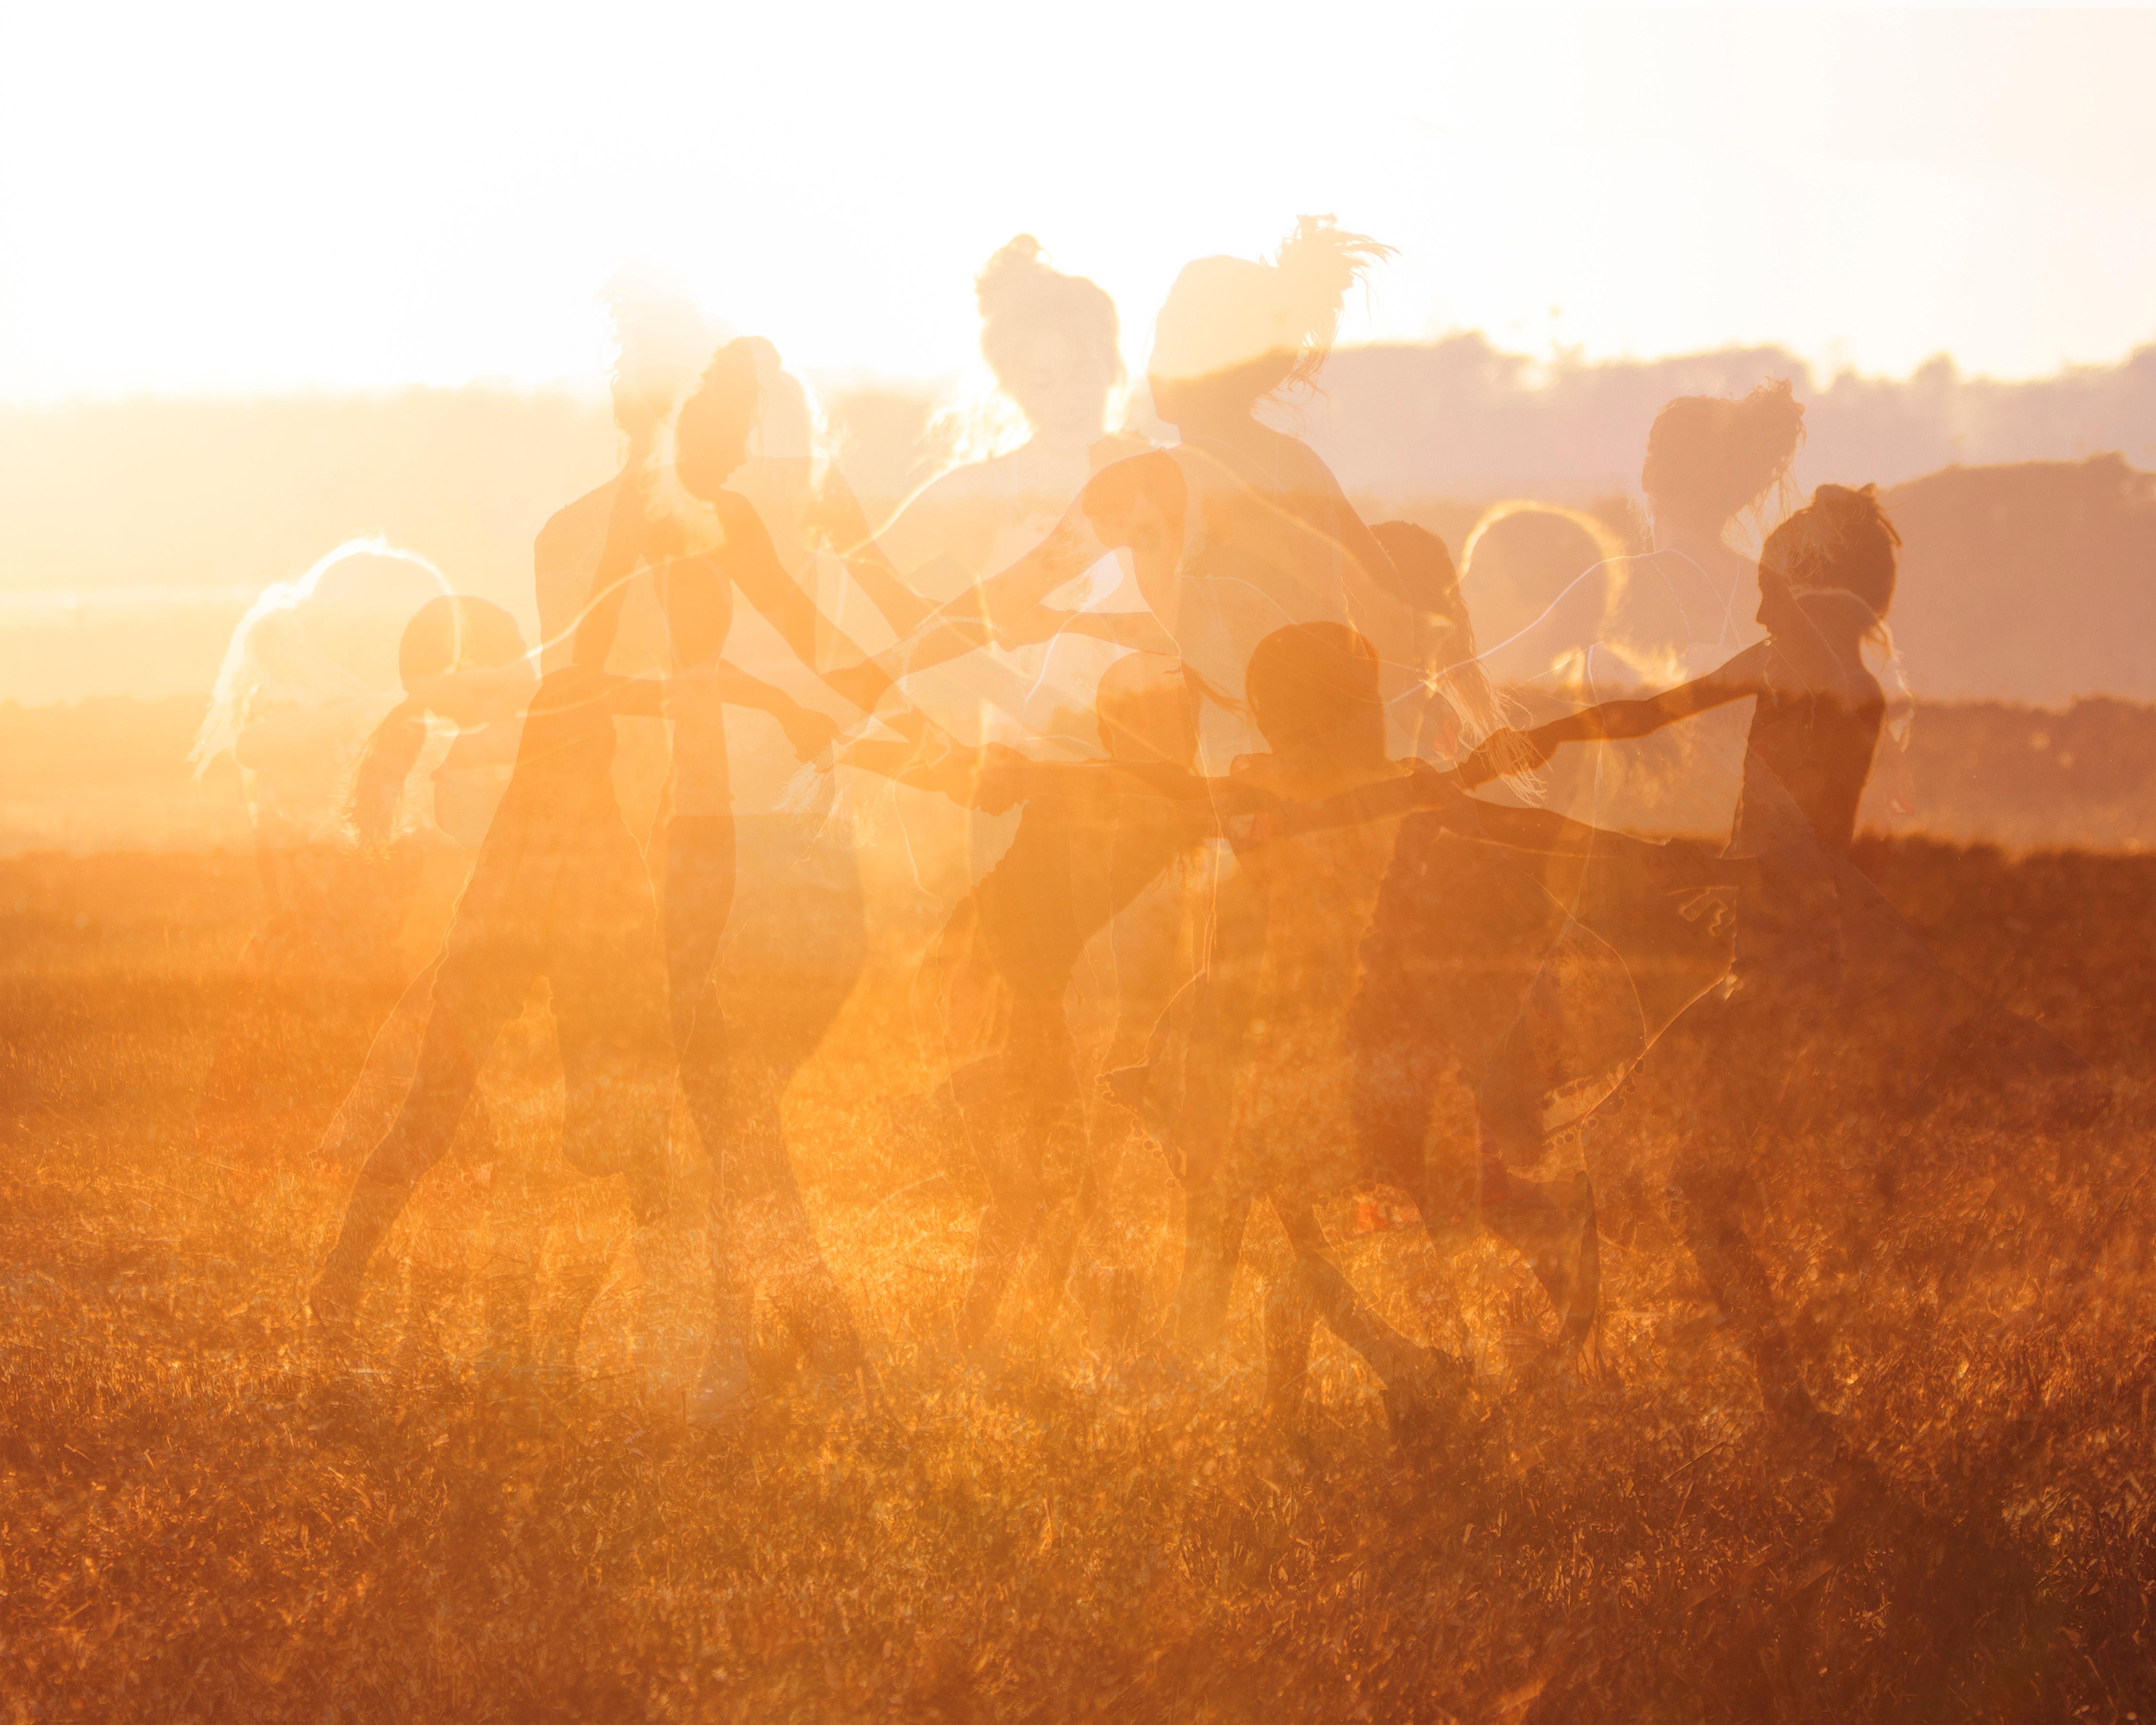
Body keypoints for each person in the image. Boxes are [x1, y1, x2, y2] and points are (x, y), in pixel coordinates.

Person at [1469, 483, 2095, 1447]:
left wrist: (1699, 864)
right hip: (1771, 957)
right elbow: (1651, 713)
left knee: (1680, 1167)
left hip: (1793, 975)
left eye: (1772, 589)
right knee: (1683, 1167)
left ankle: (1738, 1380)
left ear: (1816, 599)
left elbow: (1808, 852)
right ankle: (1748, 1381)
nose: (1756, 606)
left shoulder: (1840, 694)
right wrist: (1541, 736)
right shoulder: (1783, 664)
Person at [654, 337, 917, 1425]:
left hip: (767, 856)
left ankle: (781, 1351)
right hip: (744, 851)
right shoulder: (723, 546)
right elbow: (849, 667)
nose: (780, 460)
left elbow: (852, 668)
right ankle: (783, 1351)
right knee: (737, 1124)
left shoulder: (778, 543)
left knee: (737, 1124)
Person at [843, 654, 1213, 1366]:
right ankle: (1078, 1336)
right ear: (1118, 726)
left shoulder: (1178, 799)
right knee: (1037, 1181)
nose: (1170, 732)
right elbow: (974, 790)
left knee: (1039, 1183)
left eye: (1180, 719)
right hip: (986, 977)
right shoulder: (1098, 787)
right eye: (1145, 719)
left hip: (1027, 988)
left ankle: (999, 1338)